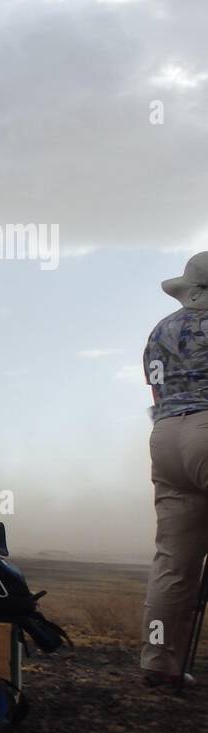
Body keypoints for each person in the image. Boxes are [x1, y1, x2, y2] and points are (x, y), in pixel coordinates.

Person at [141, 254, 208, 688]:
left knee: (173, 562)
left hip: (166, 435)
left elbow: (155, 386)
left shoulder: (161, 329)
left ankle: (159, 664)